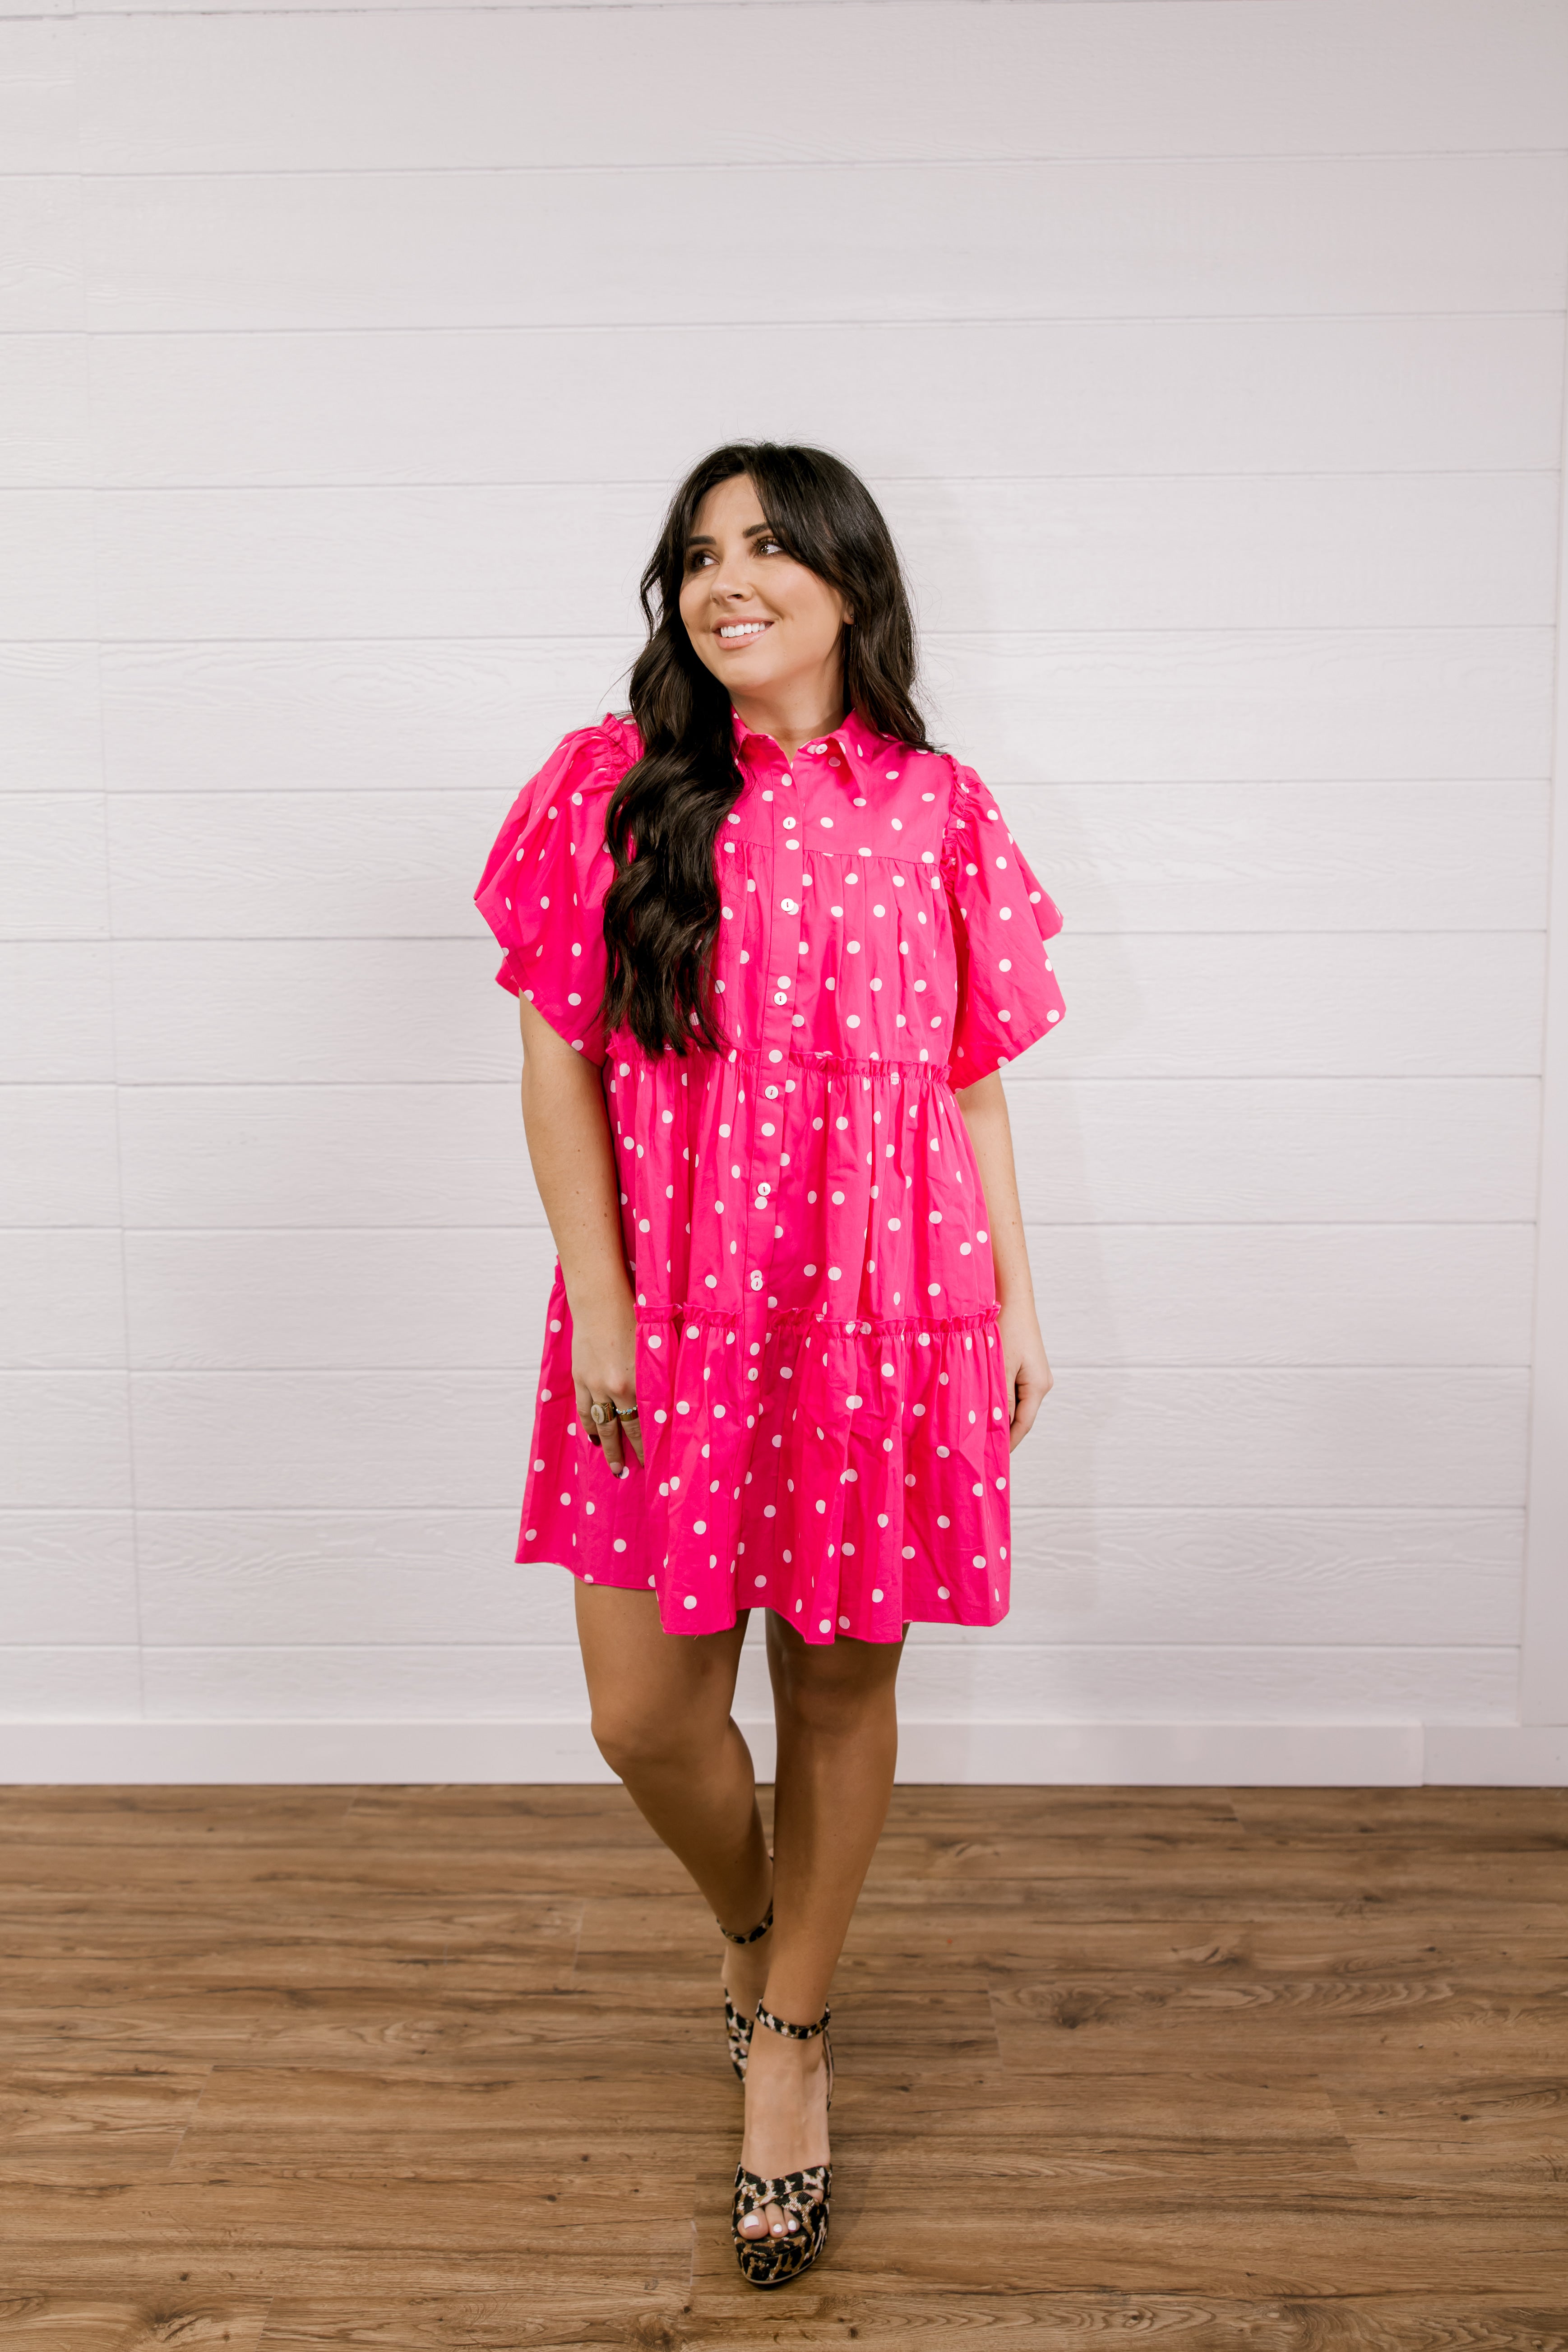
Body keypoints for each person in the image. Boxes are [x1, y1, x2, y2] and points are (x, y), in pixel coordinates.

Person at [473, 441, 1067, 2288]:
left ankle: (789, 2044)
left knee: (832, 1684)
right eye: (698, 552)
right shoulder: (612, 784)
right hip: (669, 1314)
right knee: (644, 1713)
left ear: (844, 579)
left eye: (766, 545)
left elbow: (967, 1071)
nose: (728, 577)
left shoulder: (938, 807)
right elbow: (558, 1058)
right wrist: (603, 1294)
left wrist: (1019, 1307)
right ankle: (755, 1928)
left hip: (885, 1312)